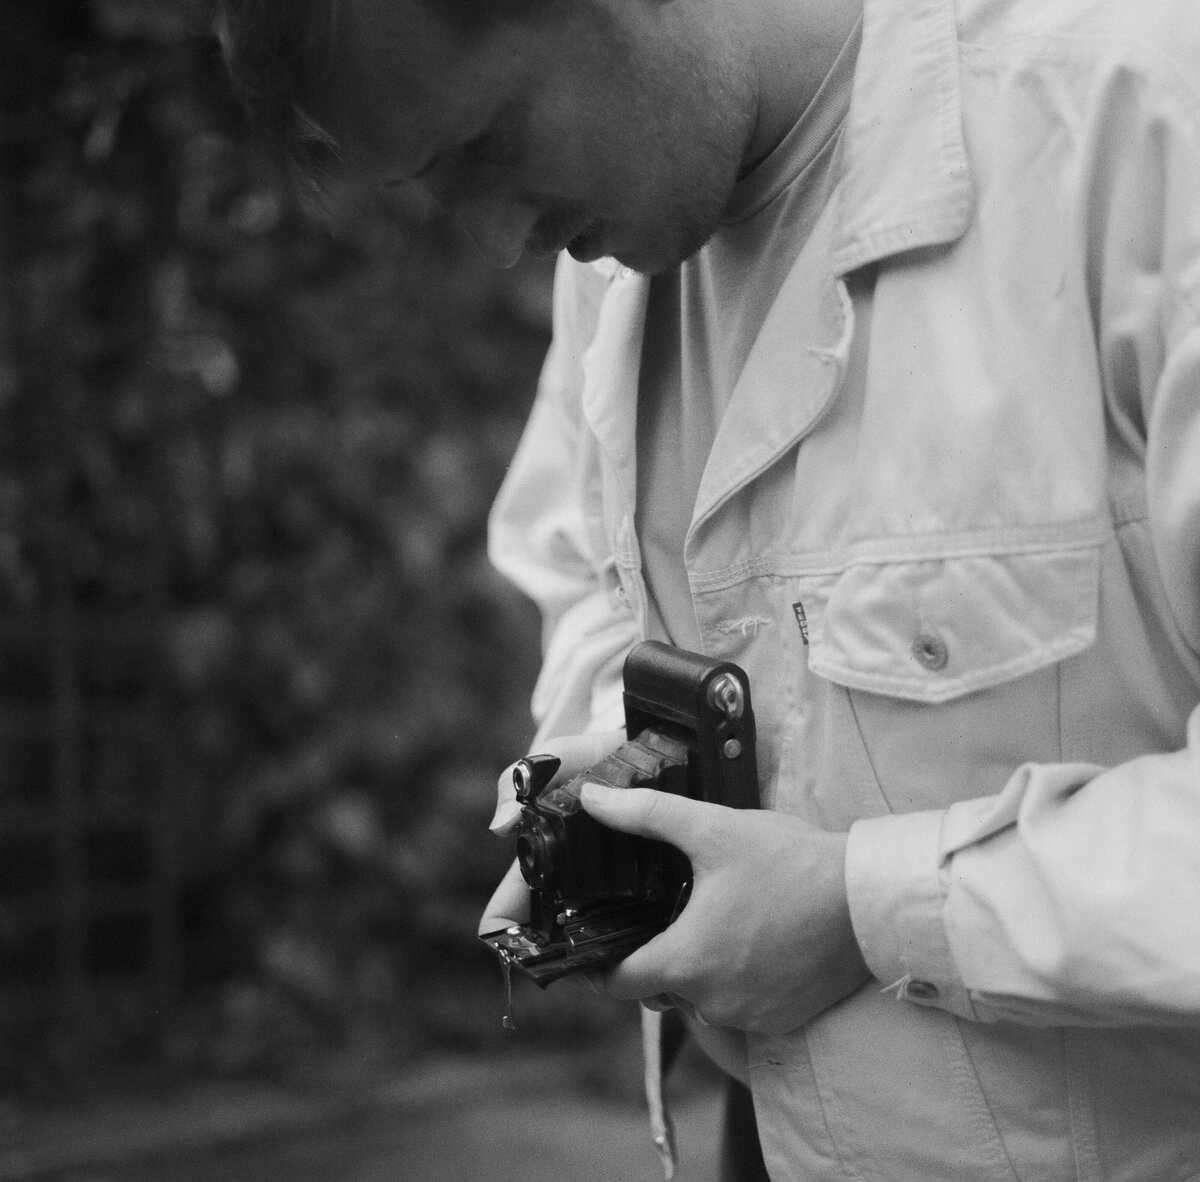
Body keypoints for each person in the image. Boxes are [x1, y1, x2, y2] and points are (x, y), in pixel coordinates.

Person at [217, 0, 1200, 1177]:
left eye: (482, 145)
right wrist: (619, 770)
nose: (493, 240)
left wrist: (863, 909)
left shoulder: (1142, 118)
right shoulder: (625, 241)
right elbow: (585, 567)